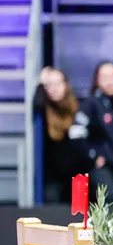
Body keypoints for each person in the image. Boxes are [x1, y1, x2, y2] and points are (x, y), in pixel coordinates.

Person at [75, 61, 113, 201]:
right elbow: (75, 134)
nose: (109, 82)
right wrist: (93, 156)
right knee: (111, 200)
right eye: (104, 77)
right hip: (103, 167)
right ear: (97, 80)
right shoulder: (90, 104)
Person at [32, 67, 89, 203]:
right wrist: (41, 83)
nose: (54, 88)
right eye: (49, 85)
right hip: (54, 178)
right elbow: (37, 103)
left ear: (65, 84)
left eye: (58, 83)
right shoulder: (44, 113)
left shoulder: (79, 108)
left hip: (78, 176)